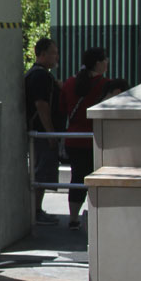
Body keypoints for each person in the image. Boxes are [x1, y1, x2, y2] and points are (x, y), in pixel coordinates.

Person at [60, 47, 110, 231]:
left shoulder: (69, 83)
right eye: (105, 59)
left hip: (73, 139)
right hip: (97, 139)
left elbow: (63, 108)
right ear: (98, 63)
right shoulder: (106, 84)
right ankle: (97, 217)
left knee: (77, 178)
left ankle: (73, 218)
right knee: (99, 179)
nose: (107, 62)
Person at [25, 38, 64, 226]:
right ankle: (35, 212)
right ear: (42, 54)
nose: (56, 56)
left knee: (41, 172)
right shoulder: (39, 76)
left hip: (41, 133)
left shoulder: (39, 75)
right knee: (40, 173)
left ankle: (36, 210)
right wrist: (50, 133)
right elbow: (41, 105)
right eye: (53, 53)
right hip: (41, 134)